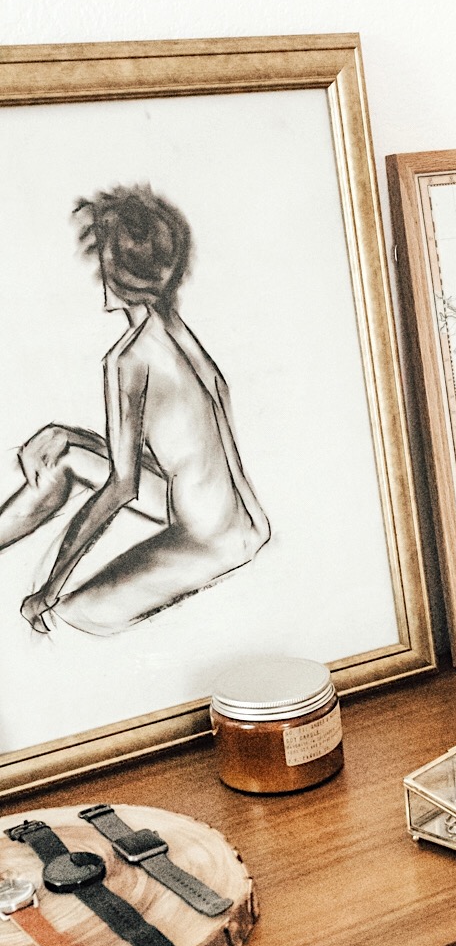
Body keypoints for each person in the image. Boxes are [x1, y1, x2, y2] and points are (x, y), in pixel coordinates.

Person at [0, 184, 270, 635]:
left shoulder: (130, 360)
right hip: (236, 518)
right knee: (65, 455)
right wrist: (69, 436)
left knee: (72, 615)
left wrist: (48, 590)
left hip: (209, 539)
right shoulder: (175, 330)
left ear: (116, 270)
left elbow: (121, 486)